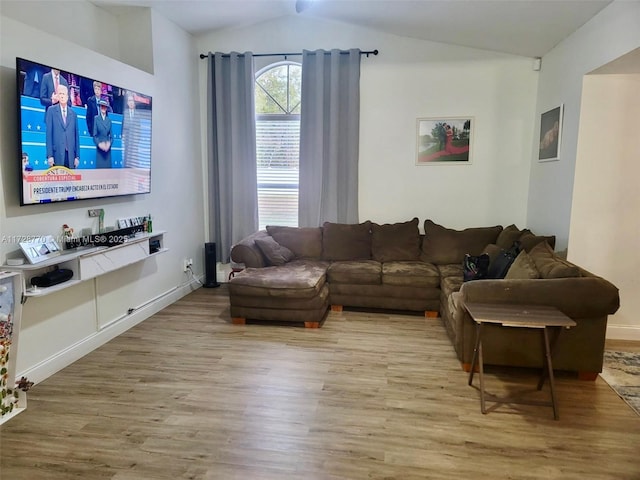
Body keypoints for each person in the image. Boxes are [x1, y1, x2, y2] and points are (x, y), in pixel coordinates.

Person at [45, 85, 80, 169]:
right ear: (57, 96)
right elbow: (49, 135)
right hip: (57, 154)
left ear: (67, 97)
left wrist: (77, 156)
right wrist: (50, 155)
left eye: (64, 94)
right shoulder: (51, 111)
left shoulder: (73, 114)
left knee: (70, 181)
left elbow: (76, 136)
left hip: (70, 155)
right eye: (60, 94)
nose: (62, 96)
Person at [93, 99, 112, 168]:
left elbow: (112, 137)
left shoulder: (109, 121)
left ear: (106, 108)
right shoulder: (96, 119)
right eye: (102, 106)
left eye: (105, 107)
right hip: (100, 149)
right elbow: (94, 135)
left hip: (107, 150)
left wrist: (109, 144)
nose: (103, 108)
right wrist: (99, 144)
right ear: (100, 107)